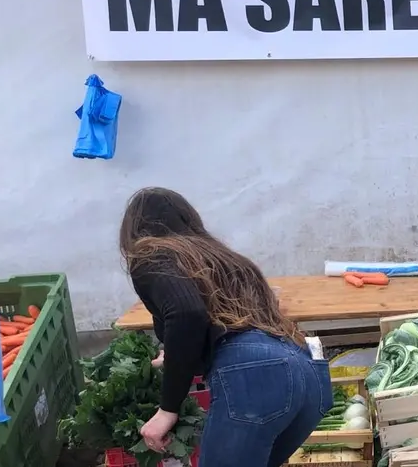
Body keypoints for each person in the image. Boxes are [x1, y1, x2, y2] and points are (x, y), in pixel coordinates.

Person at [120, 187, 332, 467]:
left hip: (257, 377)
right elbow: (227, 325)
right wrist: (176, 353)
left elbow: (186, 313)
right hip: (307, 371)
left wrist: (167, 409)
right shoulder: (224, 258)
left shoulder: (150, 254)